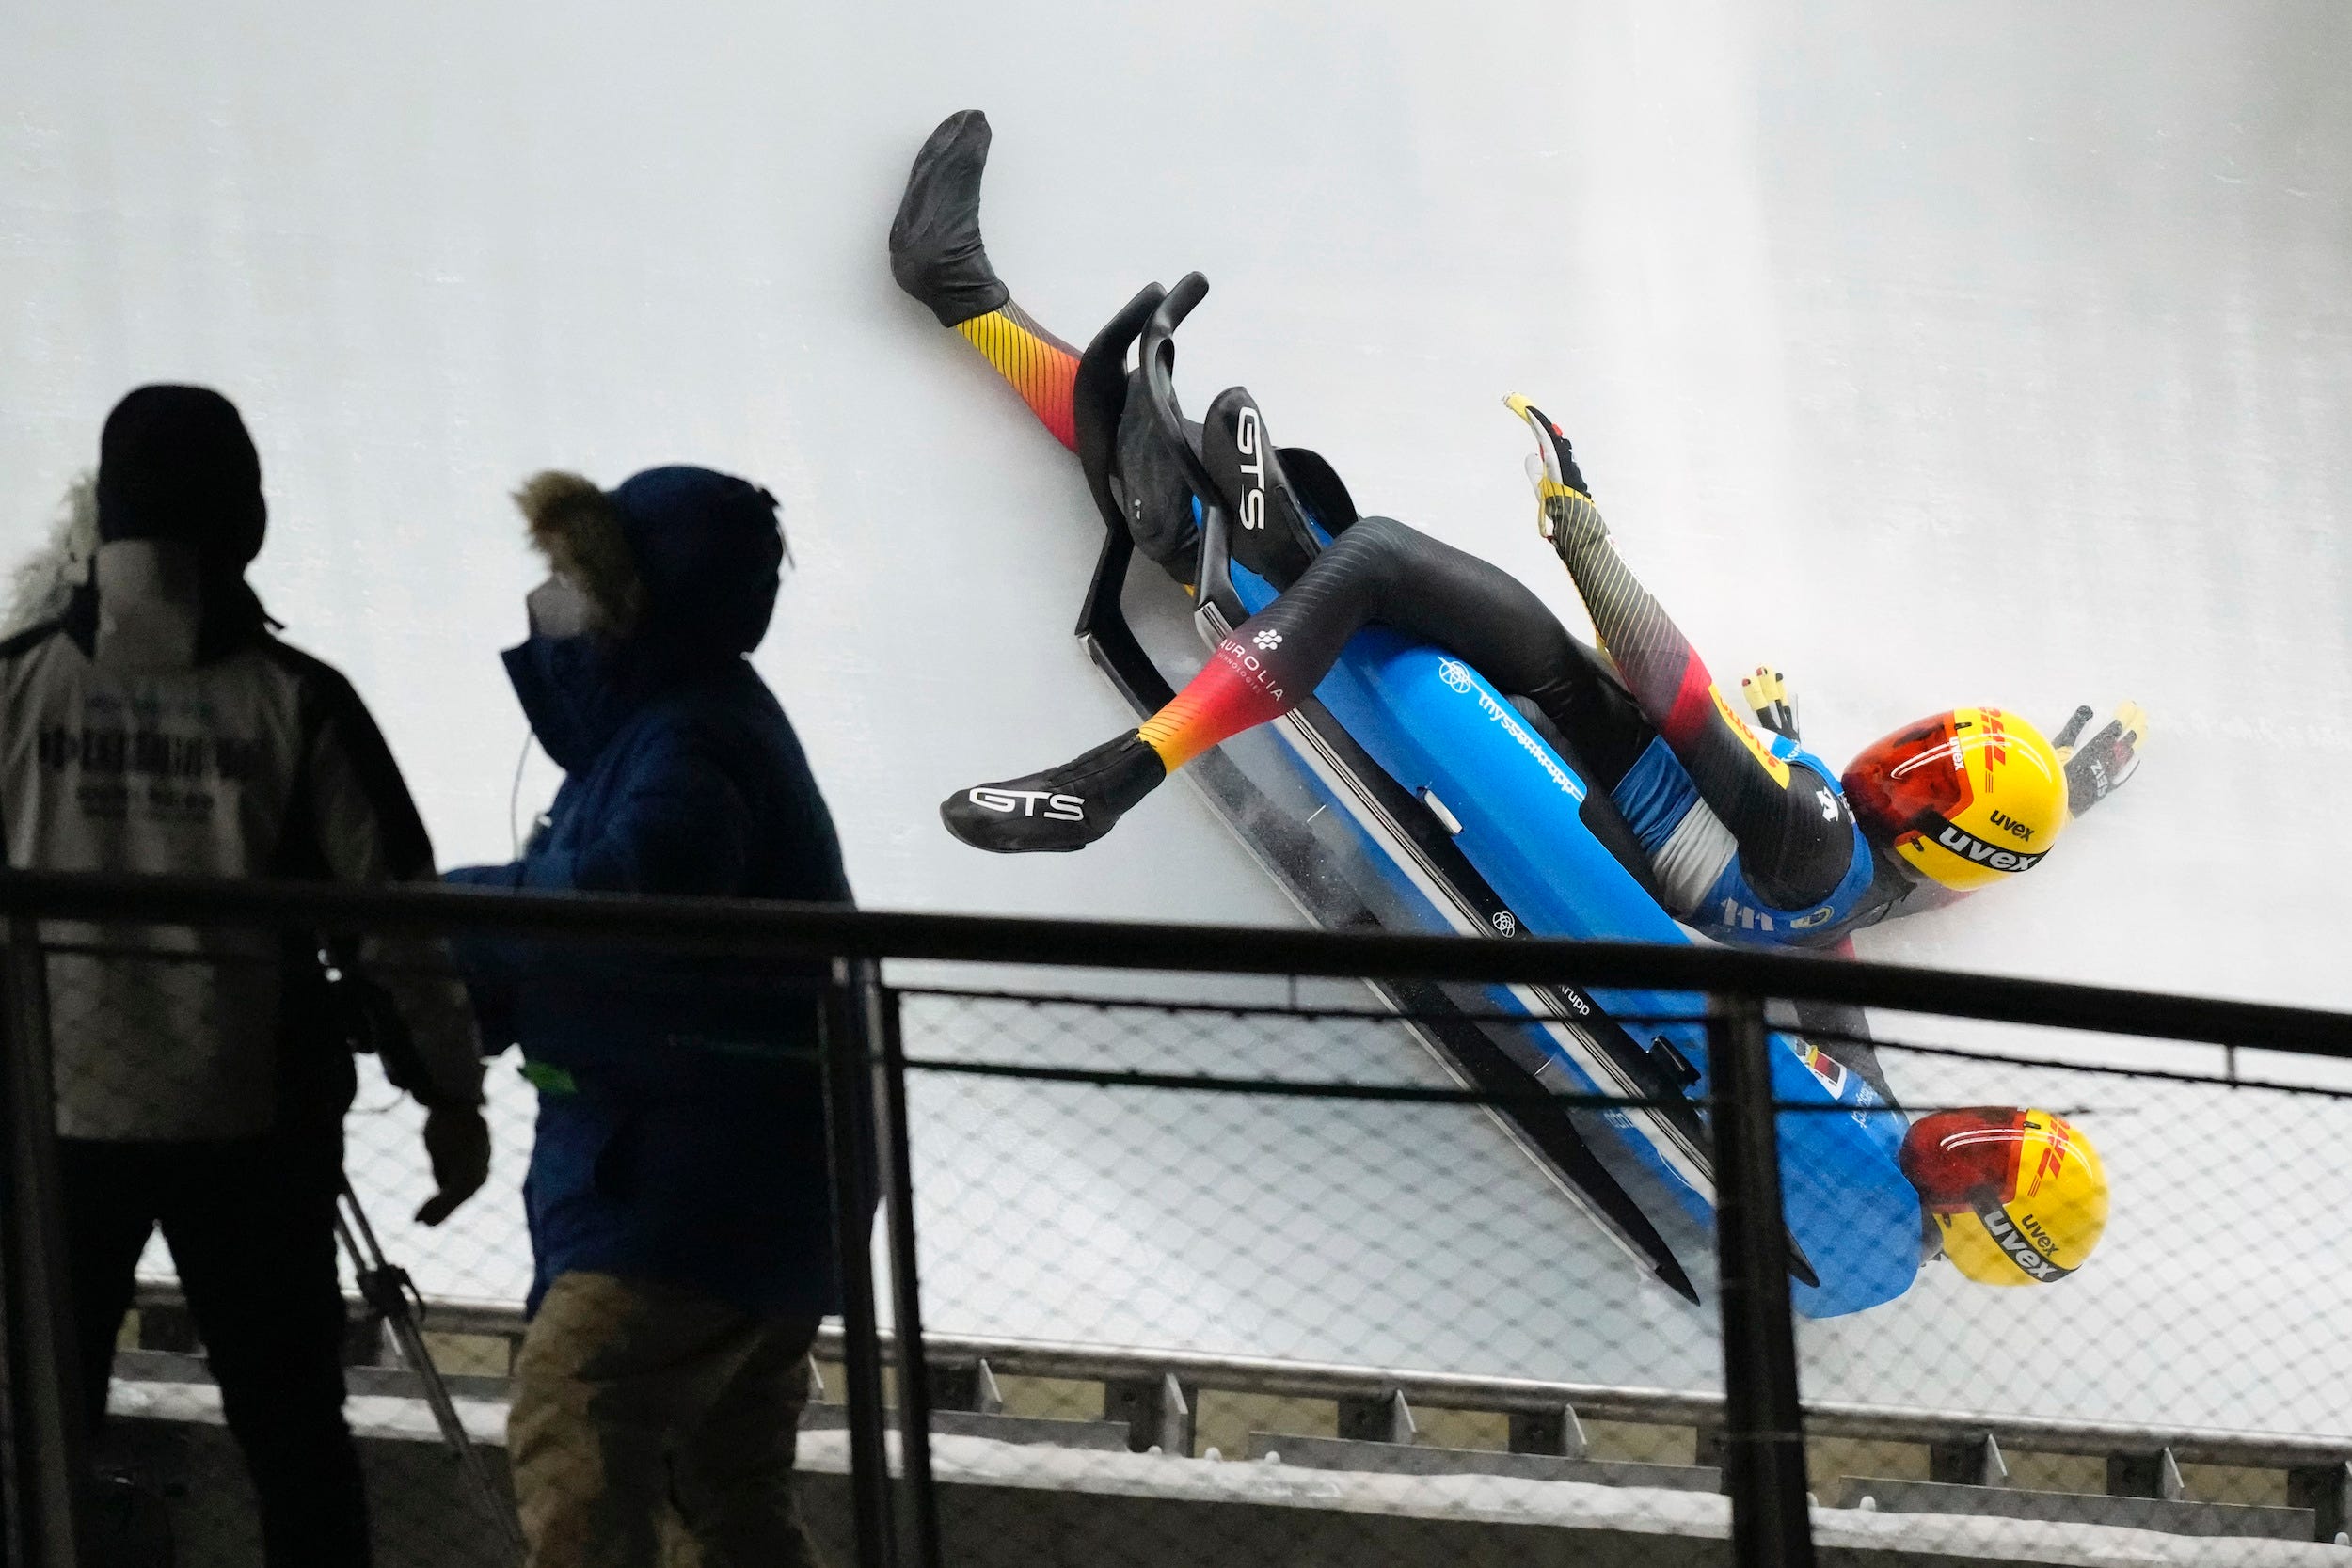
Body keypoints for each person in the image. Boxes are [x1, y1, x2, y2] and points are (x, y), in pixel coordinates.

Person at [892, 111, 2126, 1291]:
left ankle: (1125, 763)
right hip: (1594, 779)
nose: (1899, 763)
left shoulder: (1818, 849)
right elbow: (1832, 962)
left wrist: (1578, 524)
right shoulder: (1867, 897)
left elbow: (1671, 682)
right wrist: (2069, 786)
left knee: (1359, 557)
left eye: (1924, 784)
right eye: (1922, 753)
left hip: (1566, 741)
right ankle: (1008, 337)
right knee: (1254, 522)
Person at [0, 385, 490, 1566]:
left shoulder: (16, 688)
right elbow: (397, 924)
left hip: (47, 1120)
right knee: (291, 1430)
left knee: (33, 1431)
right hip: (250, 1126)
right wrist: (448, 1093)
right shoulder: (297, 703)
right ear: (244, 517)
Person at [444, 465, 852, 1568]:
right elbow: (602, 924)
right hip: (749, 1166)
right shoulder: (683, 729)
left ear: (631, 599)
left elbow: (636, 897)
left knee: (579, 1410)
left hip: (690, 1175)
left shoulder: (687, 741)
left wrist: (444, 913)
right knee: (721, 1488)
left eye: (575, 582)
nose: (554, 609)